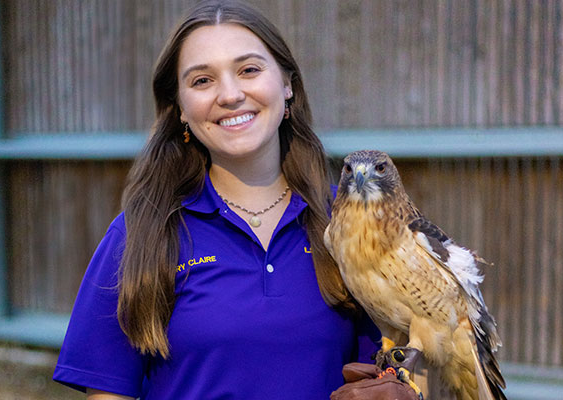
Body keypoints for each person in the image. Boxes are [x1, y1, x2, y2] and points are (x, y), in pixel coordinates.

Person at [53, 1, 402, 398]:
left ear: (287, 84)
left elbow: (412, 358)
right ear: (180, 108)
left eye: (249, 70)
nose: (231, 94)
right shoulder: (142, 233)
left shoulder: (351, 223)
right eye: (202, 81)